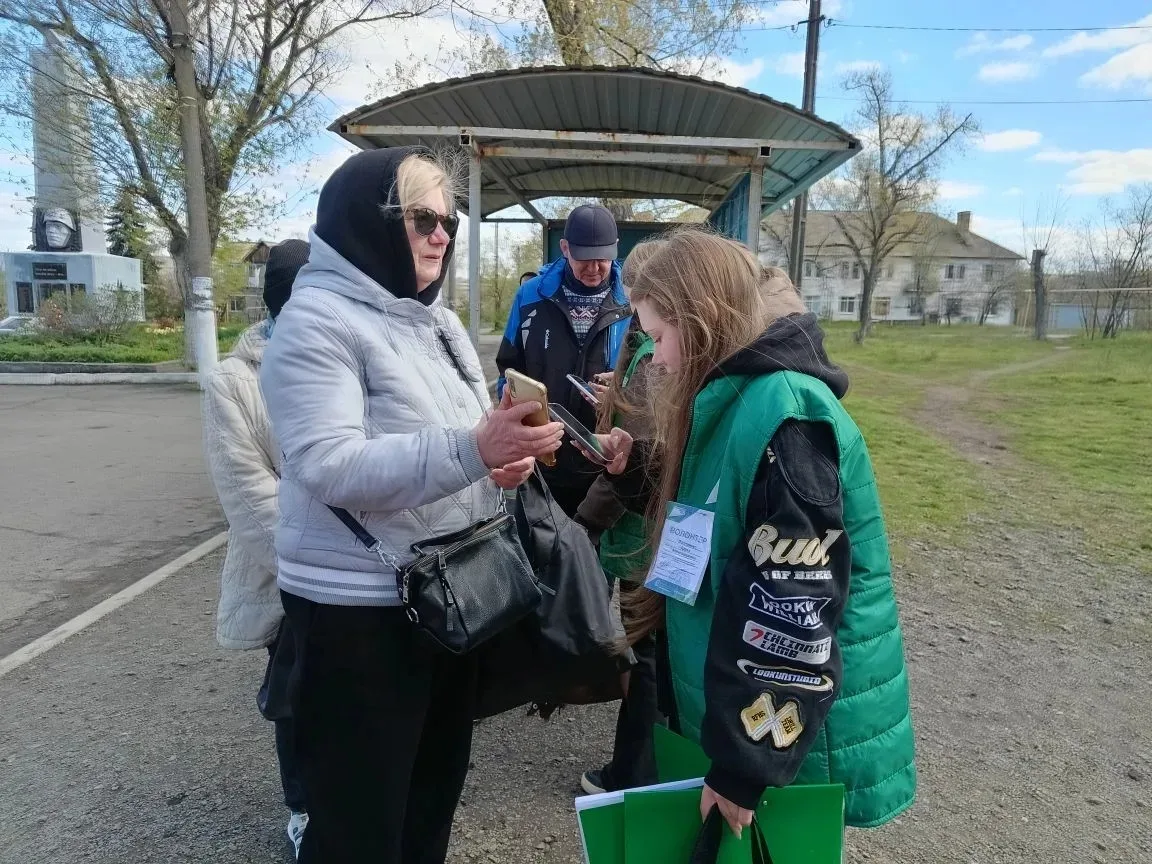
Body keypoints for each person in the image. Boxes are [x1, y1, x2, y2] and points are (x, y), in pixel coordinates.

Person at [259, 147, 565, 864]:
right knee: (359, 819)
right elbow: (328, 463)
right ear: (366, 221)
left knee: (432, 793)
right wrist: (473, 450)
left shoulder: (438, 324)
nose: (440, 235)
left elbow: (459, 446)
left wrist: (498, 469)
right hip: (358, 610)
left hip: (446, 594)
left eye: (449, 222)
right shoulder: (317, 321)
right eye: (422, 218)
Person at [593, 230, 916, 838]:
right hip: (750, 712)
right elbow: (725, 510)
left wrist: (747, 764)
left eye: (659, 336)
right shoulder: (733, 394)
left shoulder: (785, 413)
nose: (654, 357)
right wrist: (638, 469)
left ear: (701, 320)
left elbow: (793, 599)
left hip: (782, 740)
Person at [201, 238, 311, 857]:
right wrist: (309, 573)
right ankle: (303, 808)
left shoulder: (343, 360)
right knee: (296, 697)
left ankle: (354, 797)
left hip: (360, 571)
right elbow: (247, 494)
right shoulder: (235, 382)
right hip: (287, 577)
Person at [574, 239, 666, 795]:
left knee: (645, 654)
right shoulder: (646, 343)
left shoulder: (654, 351)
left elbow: (639, 458)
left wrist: (585, 523)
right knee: (649, 652)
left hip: (640, 534)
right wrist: (617, 397)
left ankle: (634, 773)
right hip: (639, 530)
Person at [496, 204, 632, 516]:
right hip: (543, 460)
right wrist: (516, 430)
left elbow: (652, 375)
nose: (594, 268)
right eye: (584, 257)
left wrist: (623, 392)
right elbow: (509, 369)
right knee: (539, 541)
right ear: (565, 248)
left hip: (605, 463)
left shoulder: (632, 302)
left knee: (593, 542)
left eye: (603, 258)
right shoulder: (530, 296)